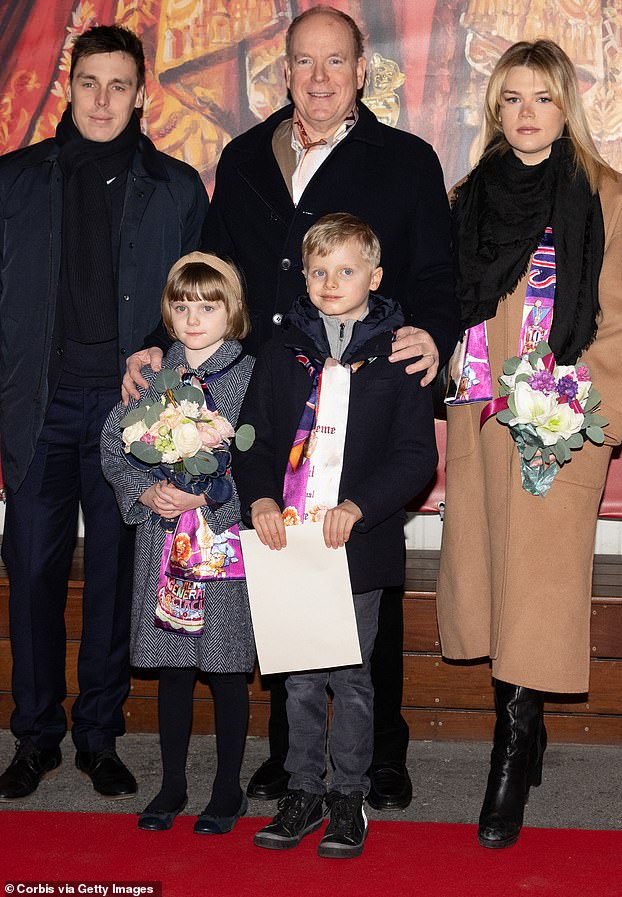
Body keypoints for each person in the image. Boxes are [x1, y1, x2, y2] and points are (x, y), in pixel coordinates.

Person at [124, 4, 459, 810]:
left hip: (366, 394)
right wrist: (152, 339)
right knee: (280, 566)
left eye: (334, 63)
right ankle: (290, 752)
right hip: (273, 391)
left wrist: (433, 336)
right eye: (303, 63)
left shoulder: (406, 160)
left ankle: (380, 751)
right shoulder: (244, 156)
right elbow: (206, 263)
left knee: (360, 564)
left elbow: (438, 274)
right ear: (284, 71)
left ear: (361, 72)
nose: (317, 78)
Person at [0, 25, 208, 802]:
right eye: (89, 82)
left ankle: (98, 735)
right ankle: (35, 736)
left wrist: (157, 349)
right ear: (67, 85)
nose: (102, 99)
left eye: (119, 85)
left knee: (118, 578)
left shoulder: (179, 188)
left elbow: (202, 304)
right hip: (38, 410)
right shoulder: (13, 183)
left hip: (130, 415)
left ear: (140, 94)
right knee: (31, 575)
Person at [435, 40, 622, 849]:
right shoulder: (468, 194)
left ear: (566, 106)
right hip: (484, 418)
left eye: (541, 98)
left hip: (562, 419)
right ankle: (525, 726)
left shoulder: (605, 195)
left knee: (540, 584)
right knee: (492, 577)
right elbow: (445, 298)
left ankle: (511, 753)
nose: (525, 113)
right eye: (511, 98)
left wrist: (581, 417)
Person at [232, 213, 438, 857]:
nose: (330, 282)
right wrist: (260, 497)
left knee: (349, 677)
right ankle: (303, 790)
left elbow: (415, 459)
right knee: (296, 679)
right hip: (289, 545)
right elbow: (252, 440)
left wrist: (359, 506)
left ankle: (348, 797)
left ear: (374, 278)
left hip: (357, 546)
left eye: (346, 271)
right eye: (318, 271)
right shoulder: (280, 353)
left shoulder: (398, 358)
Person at [101, 252, 255, 833]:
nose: (194, 319)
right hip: (163, 539)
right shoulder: (152, 374)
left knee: (223, 665)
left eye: (208, 308)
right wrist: (146, 492)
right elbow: (113, 443)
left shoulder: (247, 372)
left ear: (231, 311)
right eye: (183, 307)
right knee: (172, 667)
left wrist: (208, 495)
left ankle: (226, 790)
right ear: (167, 312)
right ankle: (170, 786)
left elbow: (256, 455)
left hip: (218, 539)